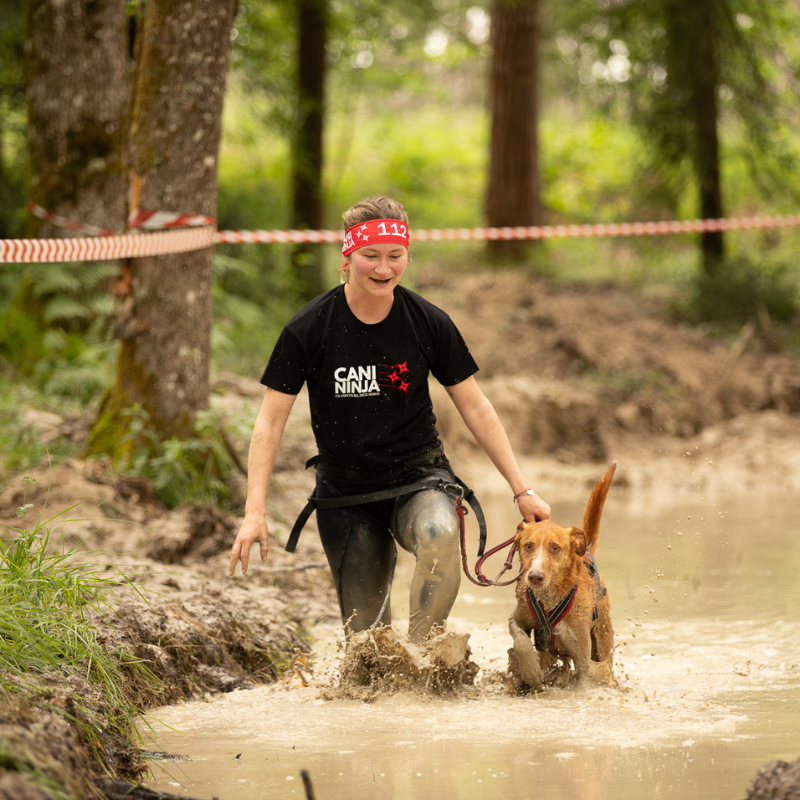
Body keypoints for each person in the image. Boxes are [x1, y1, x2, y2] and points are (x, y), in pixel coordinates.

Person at [228, 196, 551, 642]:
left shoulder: (428, 322)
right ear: (348, 257)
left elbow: (474, 405)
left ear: (407, 257)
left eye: (395, 256)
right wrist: (254, 511)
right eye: (371, 257)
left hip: (419, 477)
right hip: (346, 494)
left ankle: (424, 657)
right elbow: (269, 423)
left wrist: (522, 489)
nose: (384, 268)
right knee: (367, 648)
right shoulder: (307, 329)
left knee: (439, 533)